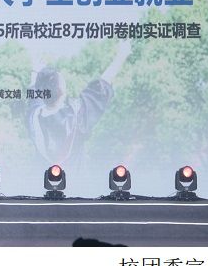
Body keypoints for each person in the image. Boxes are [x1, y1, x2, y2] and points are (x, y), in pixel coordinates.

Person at [27, 40, 131, 170]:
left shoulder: (33, 117)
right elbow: (101, 86)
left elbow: (34, 95)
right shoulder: (77, 117)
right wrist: (122, 55)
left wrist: (35, 72)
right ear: (61, 91)